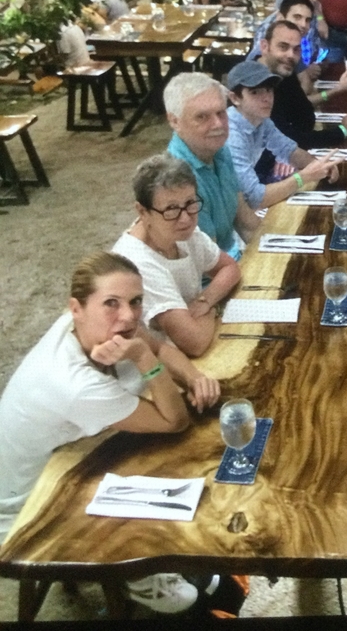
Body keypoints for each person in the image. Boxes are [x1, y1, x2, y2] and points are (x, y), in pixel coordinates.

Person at [0, 251, 221, 613]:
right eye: (112, 304)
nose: (129, 315)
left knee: (153, 443)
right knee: (172, 455)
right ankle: (143, 576)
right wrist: (143, 360)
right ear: (77, 307)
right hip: (28, 511)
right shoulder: (75, 385)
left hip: (53, 463)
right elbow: (174, 420)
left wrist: (194, 377)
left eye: (136, 302)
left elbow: (159, 343)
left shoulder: (78, 324)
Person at [112, 155, 240, 357]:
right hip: (155, 367)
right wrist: (213, 309)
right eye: (171, 209)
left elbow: (230, 267)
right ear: (143, 212)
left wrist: (204, 301)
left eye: (190, 202)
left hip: (192, 343)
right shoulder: (137, 263)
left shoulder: (181, 231)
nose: (186, 218)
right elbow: (194, 343)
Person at [164, 73, 259, 259]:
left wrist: (283, 247)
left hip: (232, 261)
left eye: (221, 113)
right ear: (174, 121)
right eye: (202, 117)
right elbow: (212, 263)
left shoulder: (220, 150)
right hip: (211, 279)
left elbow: (246, 223)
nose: (218, 124)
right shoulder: (177, 178)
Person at [226, 61, 339, 209]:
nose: (266, 98)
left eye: (268, 89)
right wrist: (303, 177)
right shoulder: (231, 134)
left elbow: (290, 150)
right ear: (235, 98)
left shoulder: (262, 120)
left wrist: (319, 165)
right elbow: (255, 198)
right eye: (255, 92)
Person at [258, 20, 347, 149]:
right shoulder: (256, 86)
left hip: (301, 146)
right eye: (283, 47)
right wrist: (342, 131)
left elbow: (304, 110)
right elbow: (289, 140)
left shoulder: (283, 71)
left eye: (296, 49)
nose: (290, 55)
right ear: (264, 46)